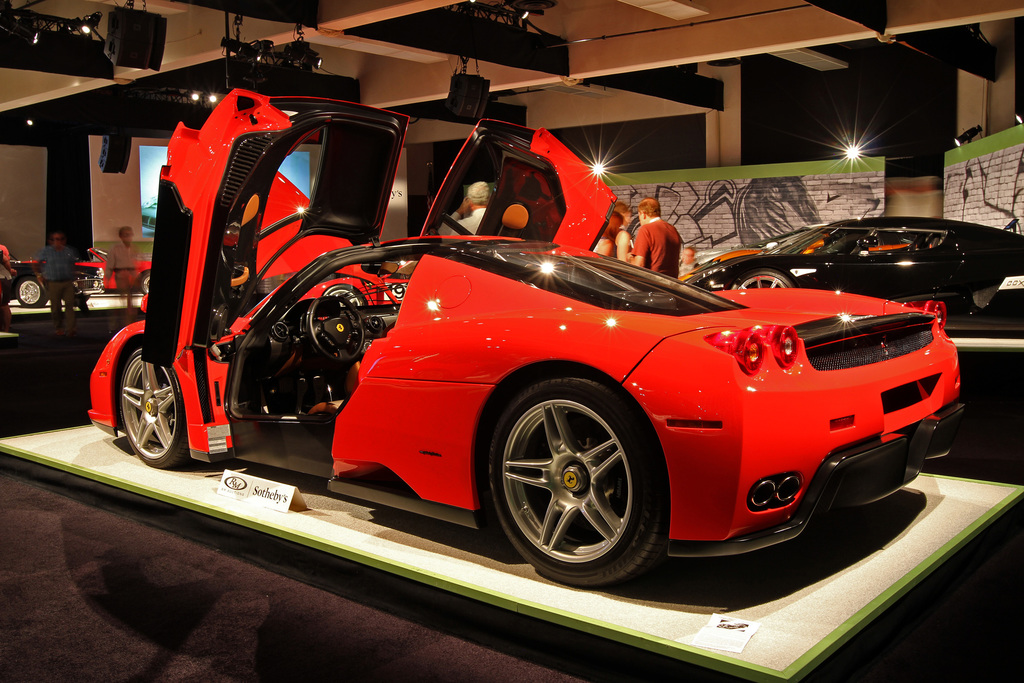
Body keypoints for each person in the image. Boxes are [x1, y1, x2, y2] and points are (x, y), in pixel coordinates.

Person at [33, 231, 80, 337]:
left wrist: (74, 276)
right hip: (53, 282)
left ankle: (71, 328)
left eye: (61, 238)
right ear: (51, 241)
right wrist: (39, 275)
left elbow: (74, 264)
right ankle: (59, 327)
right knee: (56, 307)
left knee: (69, 305)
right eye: (56, 239)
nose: (59, 241)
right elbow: (36, 263)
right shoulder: (46, 251)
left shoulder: (69, 251)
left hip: (67, 282)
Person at [629, 197, 681, 277]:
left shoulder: (646, 229)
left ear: (643, 214)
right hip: (671, 284)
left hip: (652, 284)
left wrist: (631, 259)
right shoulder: (673, 229)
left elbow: (639, 265)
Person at [107, 226, 139, 328]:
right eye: (126, 235)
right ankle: (118, 324)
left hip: (131, 276)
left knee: (130, 302)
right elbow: (110, 264)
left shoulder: (133, 248)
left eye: (130, 234)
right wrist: (107, 279)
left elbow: (135, 263)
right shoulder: (115, 248)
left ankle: (129, 323)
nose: (128, 237)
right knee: (124, 301)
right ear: (121, 236)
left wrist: (136, 276)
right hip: (121, 276)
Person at [0, 241, 13, 332]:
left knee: (3, 305)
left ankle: (6, 330)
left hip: (2, 278)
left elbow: (5, 260)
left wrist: (10, 271)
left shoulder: (1, 248)